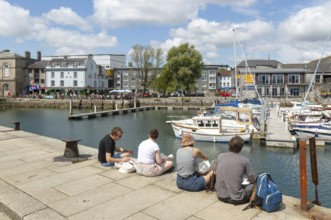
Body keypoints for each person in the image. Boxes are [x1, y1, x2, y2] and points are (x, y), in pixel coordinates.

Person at [215, 135, 255, 205]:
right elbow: (252, 180)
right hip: (237, 199)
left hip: (220, 196)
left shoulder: (220, 156)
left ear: (229, 145)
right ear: (241, 148)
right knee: (253, 186)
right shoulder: (245, 160)